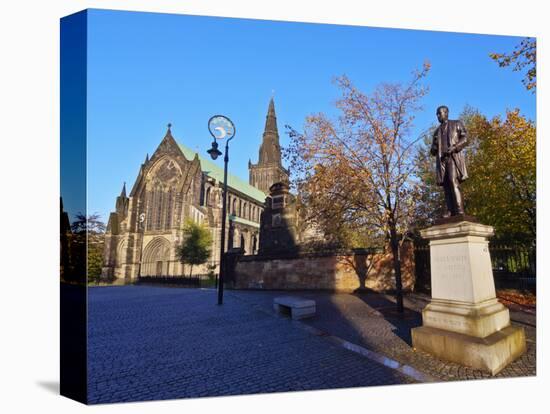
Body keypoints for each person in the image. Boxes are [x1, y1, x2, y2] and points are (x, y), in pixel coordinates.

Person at [430, 105, 468, 217]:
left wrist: (455, 147)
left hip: (453, 157)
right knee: (446, 185)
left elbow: (465, 138)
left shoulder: (456, 124)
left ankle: (459, 210)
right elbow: (432, 151)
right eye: (437, 114)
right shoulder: (436, 131)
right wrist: (434, 147)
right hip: (442, 161)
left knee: (452, 181)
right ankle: (450, 210)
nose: (437, 115)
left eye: (439, 113)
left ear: (446, 113)